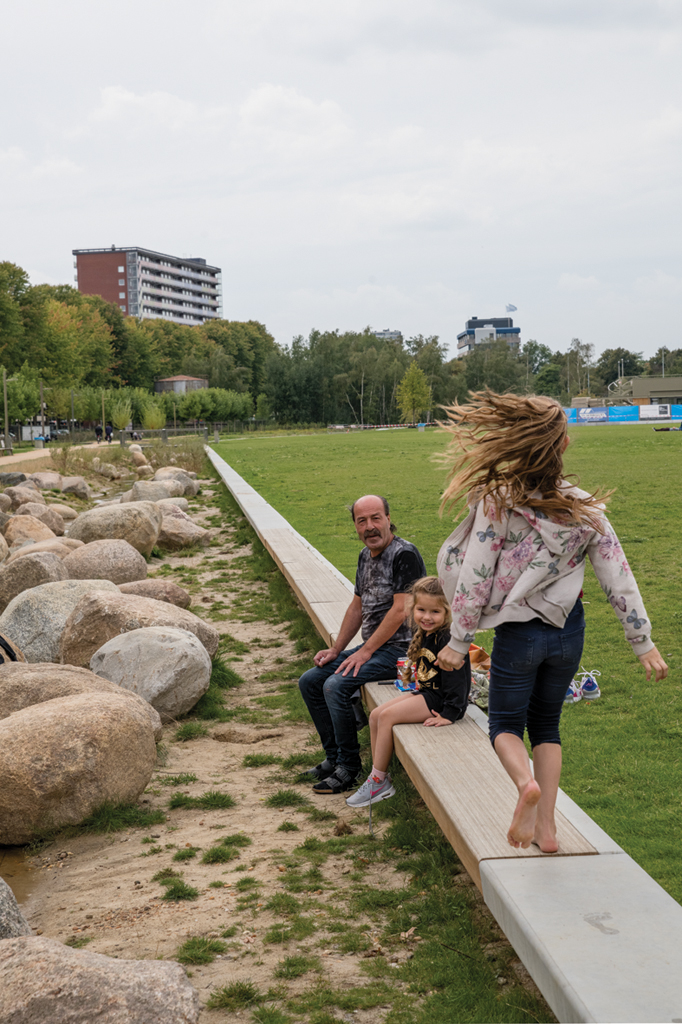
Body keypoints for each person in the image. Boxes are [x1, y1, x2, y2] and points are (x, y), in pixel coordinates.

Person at [435, 390, 668, 853]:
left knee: (503, 722)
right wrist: (643, 643)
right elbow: (617, 578)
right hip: (569, 634)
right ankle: (547, 830)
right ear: (560, 447)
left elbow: (474, 577)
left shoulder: (499, 502)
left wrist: (459, 642)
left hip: (518, 635)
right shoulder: (585, 508)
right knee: (547, 726)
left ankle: (524, 784)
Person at [298, 495, 426, 795]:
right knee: (310, 681)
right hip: (376, 649)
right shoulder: (363, 556)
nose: (370, 526)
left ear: (388, 518)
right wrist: (336, 648)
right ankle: (333, 758)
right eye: (362, 521)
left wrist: (365, 651)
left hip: (403, 653)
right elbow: (357, 608)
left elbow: (400, 610)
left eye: (376, 518)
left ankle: (349, 768)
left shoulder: (404, 554)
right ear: (355, 525)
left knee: (335, 686)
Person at [346, 576, 471, 808]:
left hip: (440, 702)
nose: (427, 616)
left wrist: (450, 713)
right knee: (375, 715)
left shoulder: (448, 639)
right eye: (421, 610)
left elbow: (458, 680)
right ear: (412, 608)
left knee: (387, 716)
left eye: (435, 612)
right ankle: (378, 775)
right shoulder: (426, 633)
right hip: (427, 694)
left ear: (447, 612)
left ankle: (378, 780)